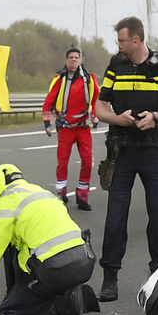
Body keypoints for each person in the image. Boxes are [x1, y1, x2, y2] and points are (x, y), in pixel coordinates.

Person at [93, 16, 158, 302]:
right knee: (115, 218)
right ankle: (110, 278)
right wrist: (116, 118)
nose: (118, 45)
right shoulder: (116, 65)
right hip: (122, 151)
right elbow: (100, 105)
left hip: (153, 151)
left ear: (136, 40)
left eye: (121, 40)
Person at [0, 163, 95, 315]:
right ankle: (72, 291)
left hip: (55, 270)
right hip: (84, 259)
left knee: (7, 314)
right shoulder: (41, 191)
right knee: (18, 248)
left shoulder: (7, 205)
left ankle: (61, 303)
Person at [42, 47, 100, 210]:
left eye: (76, 57)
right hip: (66, 129)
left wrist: (94, 117)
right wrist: (48, 123)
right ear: (66, 60)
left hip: (83, 128)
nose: (73, 60)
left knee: (88, 162)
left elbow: (96, 99)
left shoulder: (89, 79)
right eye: (71, 57)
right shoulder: (59, 80)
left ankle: (82, 195)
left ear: (81, 60)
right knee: (63, 162)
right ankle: (61, 193)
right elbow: (48, 102)